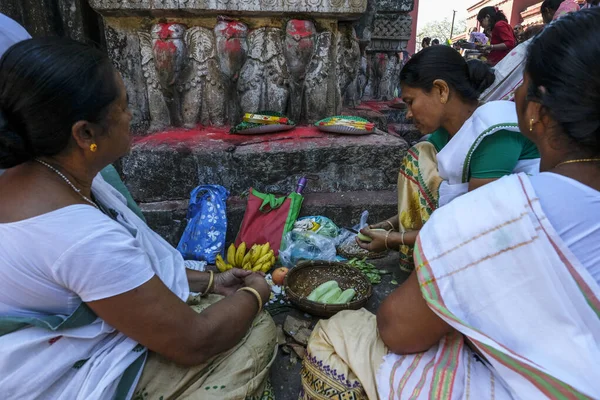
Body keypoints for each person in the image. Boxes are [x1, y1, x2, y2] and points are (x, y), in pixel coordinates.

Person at [300, 9, 600, 399]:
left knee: (334, 337)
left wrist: (398, 243)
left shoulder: (502, 202)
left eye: (523, 82)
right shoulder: (457, 150)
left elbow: (398, 331)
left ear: (538, 109)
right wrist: (394, 227)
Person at [0, 38, 277, 399]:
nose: (131, 117)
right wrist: (255, 293)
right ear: (85, 134)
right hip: (49, 378)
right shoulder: (82, 236)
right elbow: (195, 341)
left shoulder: (38, 177)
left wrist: (211, 281)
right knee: (257, 334)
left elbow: (119, 275)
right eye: (123, 106)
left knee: (221, 310)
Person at [358, 46, 540, 271]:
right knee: (418, 156)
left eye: (410, 101)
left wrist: (394, 239)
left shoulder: (492, 131)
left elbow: (478, 224)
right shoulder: (443, 134)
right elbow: (433, 200)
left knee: (419, 157)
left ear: (441, 90)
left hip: (515, 242)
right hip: (474, 228)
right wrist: (389, 225)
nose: (408, 113)